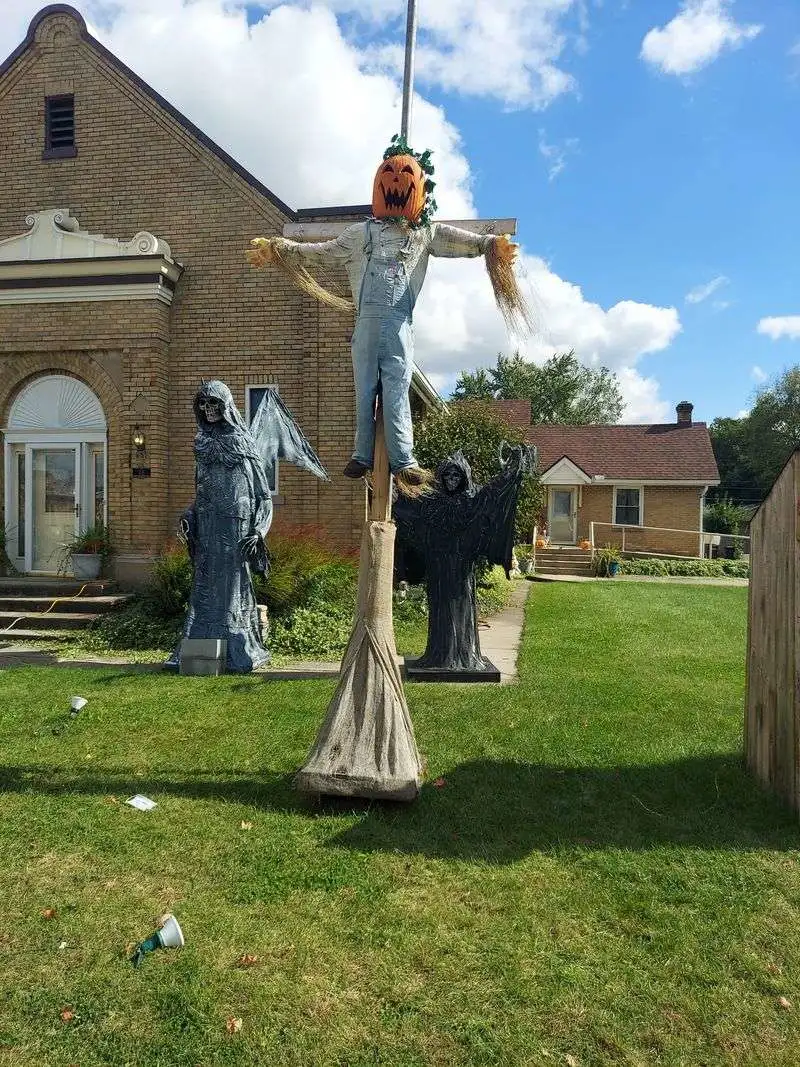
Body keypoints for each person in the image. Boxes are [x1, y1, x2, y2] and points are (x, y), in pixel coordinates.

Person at [246, 138, 518, 489]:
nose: (397, 179)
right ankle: (361, 454)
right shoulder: (359, 235)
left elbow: (465, 242)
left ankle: (404, 460)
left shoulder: (424, 235)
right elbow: (320, 251)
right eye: (389, 173)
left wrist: (491, 245)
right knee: (364, 390)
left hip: (400, 326)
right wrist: (280, 248)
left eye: (406, 175)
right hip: (365, 326)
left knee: (397, 389)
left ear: (421, 189)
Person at [394, 445, 529, 675]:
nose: (451, 480)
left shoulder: (472, 500)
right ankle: (440, 655)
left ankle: (463, 655)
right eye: (447, 475)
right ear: (441, 477)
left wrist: (511, 471)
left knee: (461, 608)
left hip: (462, 569)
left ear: (463, 477)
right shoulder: (430, 501)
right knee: (440, 610)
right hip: (438, 568)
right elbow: (408, 508)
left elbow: (495, 493)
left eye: (456, 475)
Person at [177, 380, 272, 673]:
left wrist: (259, 530)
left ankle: (235, 647)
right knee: (204, 584)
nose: (208, 409)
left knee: (233, 585)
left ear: (226, 405)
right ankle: (199, 647)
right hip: (208, 525)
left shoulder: (243, 442)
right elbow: (200, 490)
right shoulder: (201, 442)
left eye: (214, 402)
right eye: (203, 403)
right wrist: (189, 515)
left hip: (235, 527)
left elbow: (264, 495)